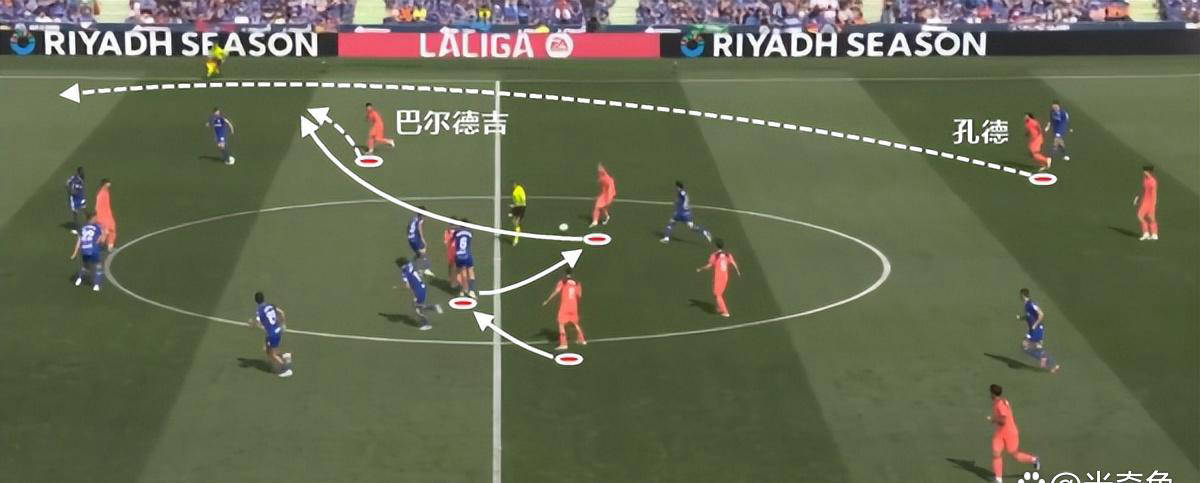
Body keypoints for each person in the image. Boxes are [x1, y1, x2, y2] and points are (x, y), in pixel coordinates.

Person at [987, 384, 1041, 483]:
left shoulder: (1000, 404)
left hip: (1010, 433)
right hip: (999, 434)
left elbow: (1003, 420)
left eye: (990, 393)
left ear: (992, 393)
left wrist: (993, 419)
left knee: (1014, 454)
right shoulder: (1000, 401)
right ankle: (998, 478)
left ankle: (1034, 459)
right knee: (996, 453)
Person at [248, 291, 293, 378]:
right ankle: (285, 355)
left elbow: (257, 324)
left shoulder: (259, 311)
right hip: (278, 330)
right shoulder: (270, 306)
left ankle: (286, 369)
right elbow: (282, 312)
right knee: (267, 349)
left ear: (255, 300)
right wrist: (283, 324)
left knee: (272, 354)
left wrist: (251, 324)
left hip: (272, 334)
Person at [542, 267, 586, 351]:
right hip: (574, 306)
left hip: (565, 306)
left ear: (565, 274)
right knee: (575, 323)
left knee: (561, 324)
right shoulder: (577, 283)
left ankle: (563, 344)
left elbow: (556, 291)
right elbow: (579, 295)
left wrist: (547, 300)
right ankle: (582, 339)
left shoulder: (563, 282)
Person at [1017, 288, 1060, 373]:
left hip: (1036, 330)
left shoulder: (1031, 304)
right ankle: (1049, 362)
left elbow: (1041, 314)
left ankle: (1048, 361)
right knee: (1033, 347)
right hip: (1033, 330)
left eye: (1020, 295)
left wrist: (1035, 325)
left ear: (1022, 295)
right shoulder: (1027, 305)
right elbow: (1029, 316)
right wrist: (1021, 318)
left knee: (1026, 346)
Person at [696, 239, 741, 317]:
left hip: (719, 277)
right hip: (725, 276)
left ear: (715, 246)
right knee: (716, 293)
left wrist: (701, 268)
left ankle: (725, 312)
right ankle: (720, 307)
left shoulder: (714, 255)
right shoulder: (727, 254)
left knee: (718, 295)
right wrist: (738, 271)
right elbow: (733, 262)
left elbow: (709, 265)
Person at [396, 257, 442, 330]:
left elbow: (407, 286)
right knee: (418, 306)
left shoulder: (404, 272)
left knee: (417, 308)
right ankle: (433, 308)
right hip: (422, 288)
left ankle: (426, 322)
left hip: (418, 291)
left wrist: (399, 288)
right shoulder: (410, 265)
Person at [69, 212, 106, 292]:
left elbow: (79, 241)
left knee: (85, 266)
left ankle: (78, 280)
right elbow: (101, 240)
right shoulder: (97, 227)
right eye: (95, 218)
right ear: (92, 218)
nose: (97, 219)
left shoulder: (83, 228)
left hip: (84, 250)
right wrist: (104, 235)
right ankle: (96, 285)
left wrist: (75, 253)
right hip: (93, 249)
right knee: (98, 266)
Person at [407, 210, 435, 276]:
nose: (425, 216)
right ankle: (424, 269)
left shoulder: (413, 218)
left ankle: (413, 266)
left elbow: (408, 228)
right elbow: (420, 229)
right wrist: (422, 239)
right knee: (423, 251)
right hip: (415, 239)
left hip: (411, 238)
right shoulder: (420, 220)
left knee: (419, 253)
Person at [454, 220, 477, 298]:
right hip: (467, 255)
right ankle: (471, 291)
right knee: (470, 271)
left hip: (459, 255)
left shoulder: (456, 232)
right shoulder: (470, 232)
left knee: (459, 272)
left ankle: (461, 291)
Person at [1134, 165, 1158, 241]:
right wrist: (1138, 198)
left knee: (1150, 218)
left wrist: (1153, 204)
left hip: (1150, 202)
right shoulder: (1145, 179)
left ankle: (1154, 234)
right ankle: (1147, 233)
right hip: (1144, 201)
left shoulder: (1153, 182)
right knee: (1140, 216)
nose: (1144, 172)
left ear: (1149, 172)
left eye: (1145, 171)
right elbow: (1143, 190)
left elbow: (1154, 194)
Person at [589, 163, 616, 228]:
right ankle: (606, 217)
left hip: (607, 196)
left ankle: (595, 221)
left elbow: (610, 188)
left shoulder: (607, 180)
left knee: (598, 206)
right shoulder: (605, 177)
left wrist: (608, 196)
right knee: (601, 207)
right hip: (605, 195)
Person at [95, 178, 116, 251]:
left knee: (108, 230)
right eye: (108, 183)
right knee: (108, 230)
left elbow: (97, 206)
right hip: (105, 216)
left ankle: (108, 246)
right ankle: (104, 246)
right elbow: (98, 206)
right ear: (105, 184)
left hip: (104, 215)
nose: (109, 184)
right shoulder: (103, 193)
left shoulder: (103, 192)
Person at [65, 167, 86, 234]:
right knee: (75, 213)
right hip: (74, 198)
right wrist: (71, 192)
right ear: (78, 172)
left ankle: (87, 224)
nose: (82, 173)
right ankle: (75, 228)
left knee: (83, 209)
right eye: (81, 172)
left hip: (80, 196)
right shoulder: (73, 178)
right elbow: (67, 184)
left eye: (82, 171)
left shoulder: (81, 178)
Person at [510, 180, 526, 246]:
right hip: (517, 207)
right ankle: (517, 230)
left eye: (513, 184)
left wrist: (517, 205)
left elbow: (523, 200)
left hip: (521, 207)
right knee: (514, 221)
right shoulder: (514, 191)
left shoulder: (519, 189)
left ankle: (516, 238)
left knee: (516, 222)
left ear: (515, 184)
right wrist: (514, 205)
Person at [444, 220, 459, 289]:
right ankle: (452, 282)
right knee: (452, 267)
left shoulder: (457, 232)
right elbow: (447, 242)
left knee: (453, 267)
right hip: (452, 252)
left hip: (454, 252)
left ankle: (453, 281)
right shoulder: (448, 232)